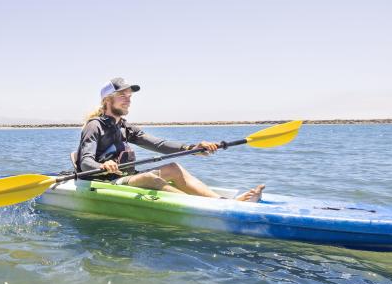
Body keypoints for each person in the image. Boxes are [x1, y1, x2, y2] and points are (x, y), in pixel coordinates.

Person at [75, 77, 265, 202]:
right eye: (122, 95)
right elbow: (85, 162)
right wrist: (103, 166)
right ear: (107, 100)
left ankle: (223, 203)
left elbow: (159, 145)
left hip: (125, 177)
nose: (128, 99)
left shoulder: (125, 127)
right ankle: (208, 208)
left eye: (129, 95)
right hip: (105, 183)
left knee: (174, 168)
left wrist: (192, 148)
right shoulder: (95, 125)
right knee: (150, 177)